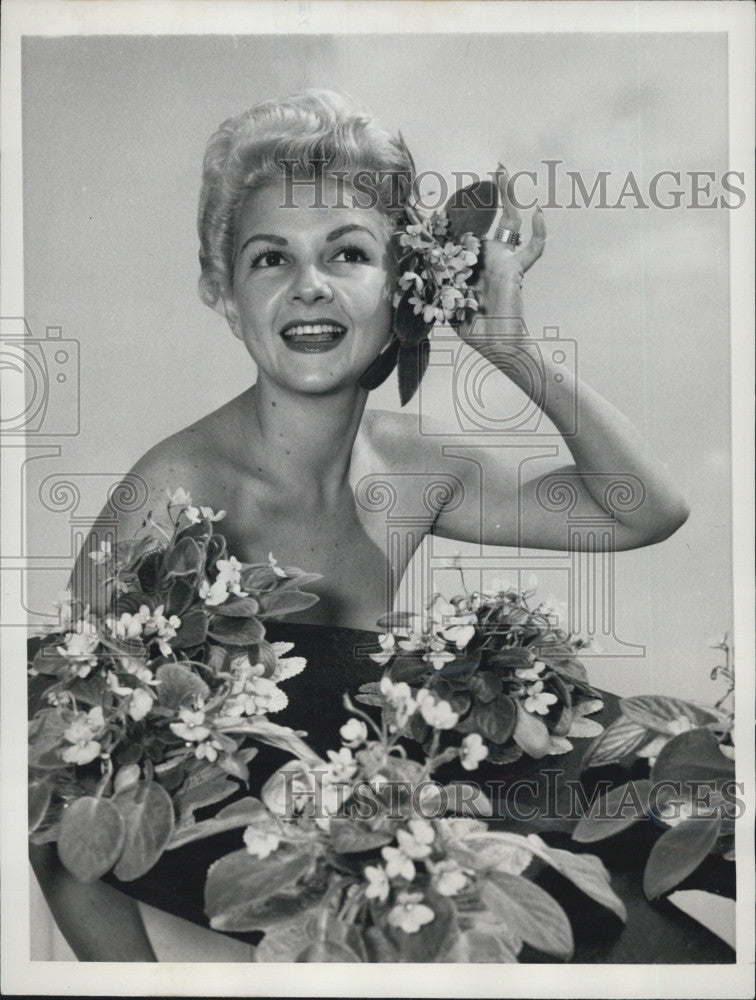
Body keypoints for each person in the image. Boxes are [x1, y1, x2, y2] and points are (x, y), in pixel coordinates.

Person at [30, 89, 689, 960]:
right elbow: (55, 791)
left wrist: (515, 349)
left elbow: (645, 510)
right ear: (222, 293)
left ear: (405, 292)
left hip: (416, 811)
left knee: (673, 816)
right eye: (270, 259)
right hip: (302, 875)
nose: (311, 284)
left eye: (348, 252)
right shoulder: (173, 492)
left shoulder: (414, 470)